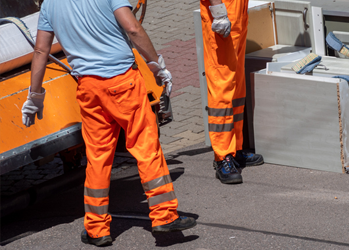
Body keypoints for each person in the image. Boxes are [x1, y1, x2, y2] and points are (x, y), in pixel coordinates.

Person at [21, 0, 196, 246]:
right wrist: (156, 65)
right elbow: (133, 28)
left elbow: (41, 51)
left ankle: (96, 228)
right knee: (145, 147)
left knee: (98, 157)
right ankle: (164, 216)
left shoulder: (50, 4)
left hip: (88, 88)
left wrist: (35, 96)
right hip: (123, 82)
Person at [200, 0, 264, 185]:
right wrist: (219, 11)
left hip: (237, 12)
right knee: (222, 86)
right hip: (223, 11)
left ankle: (235, 149)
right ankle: (223, 156)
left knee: (236, 84)